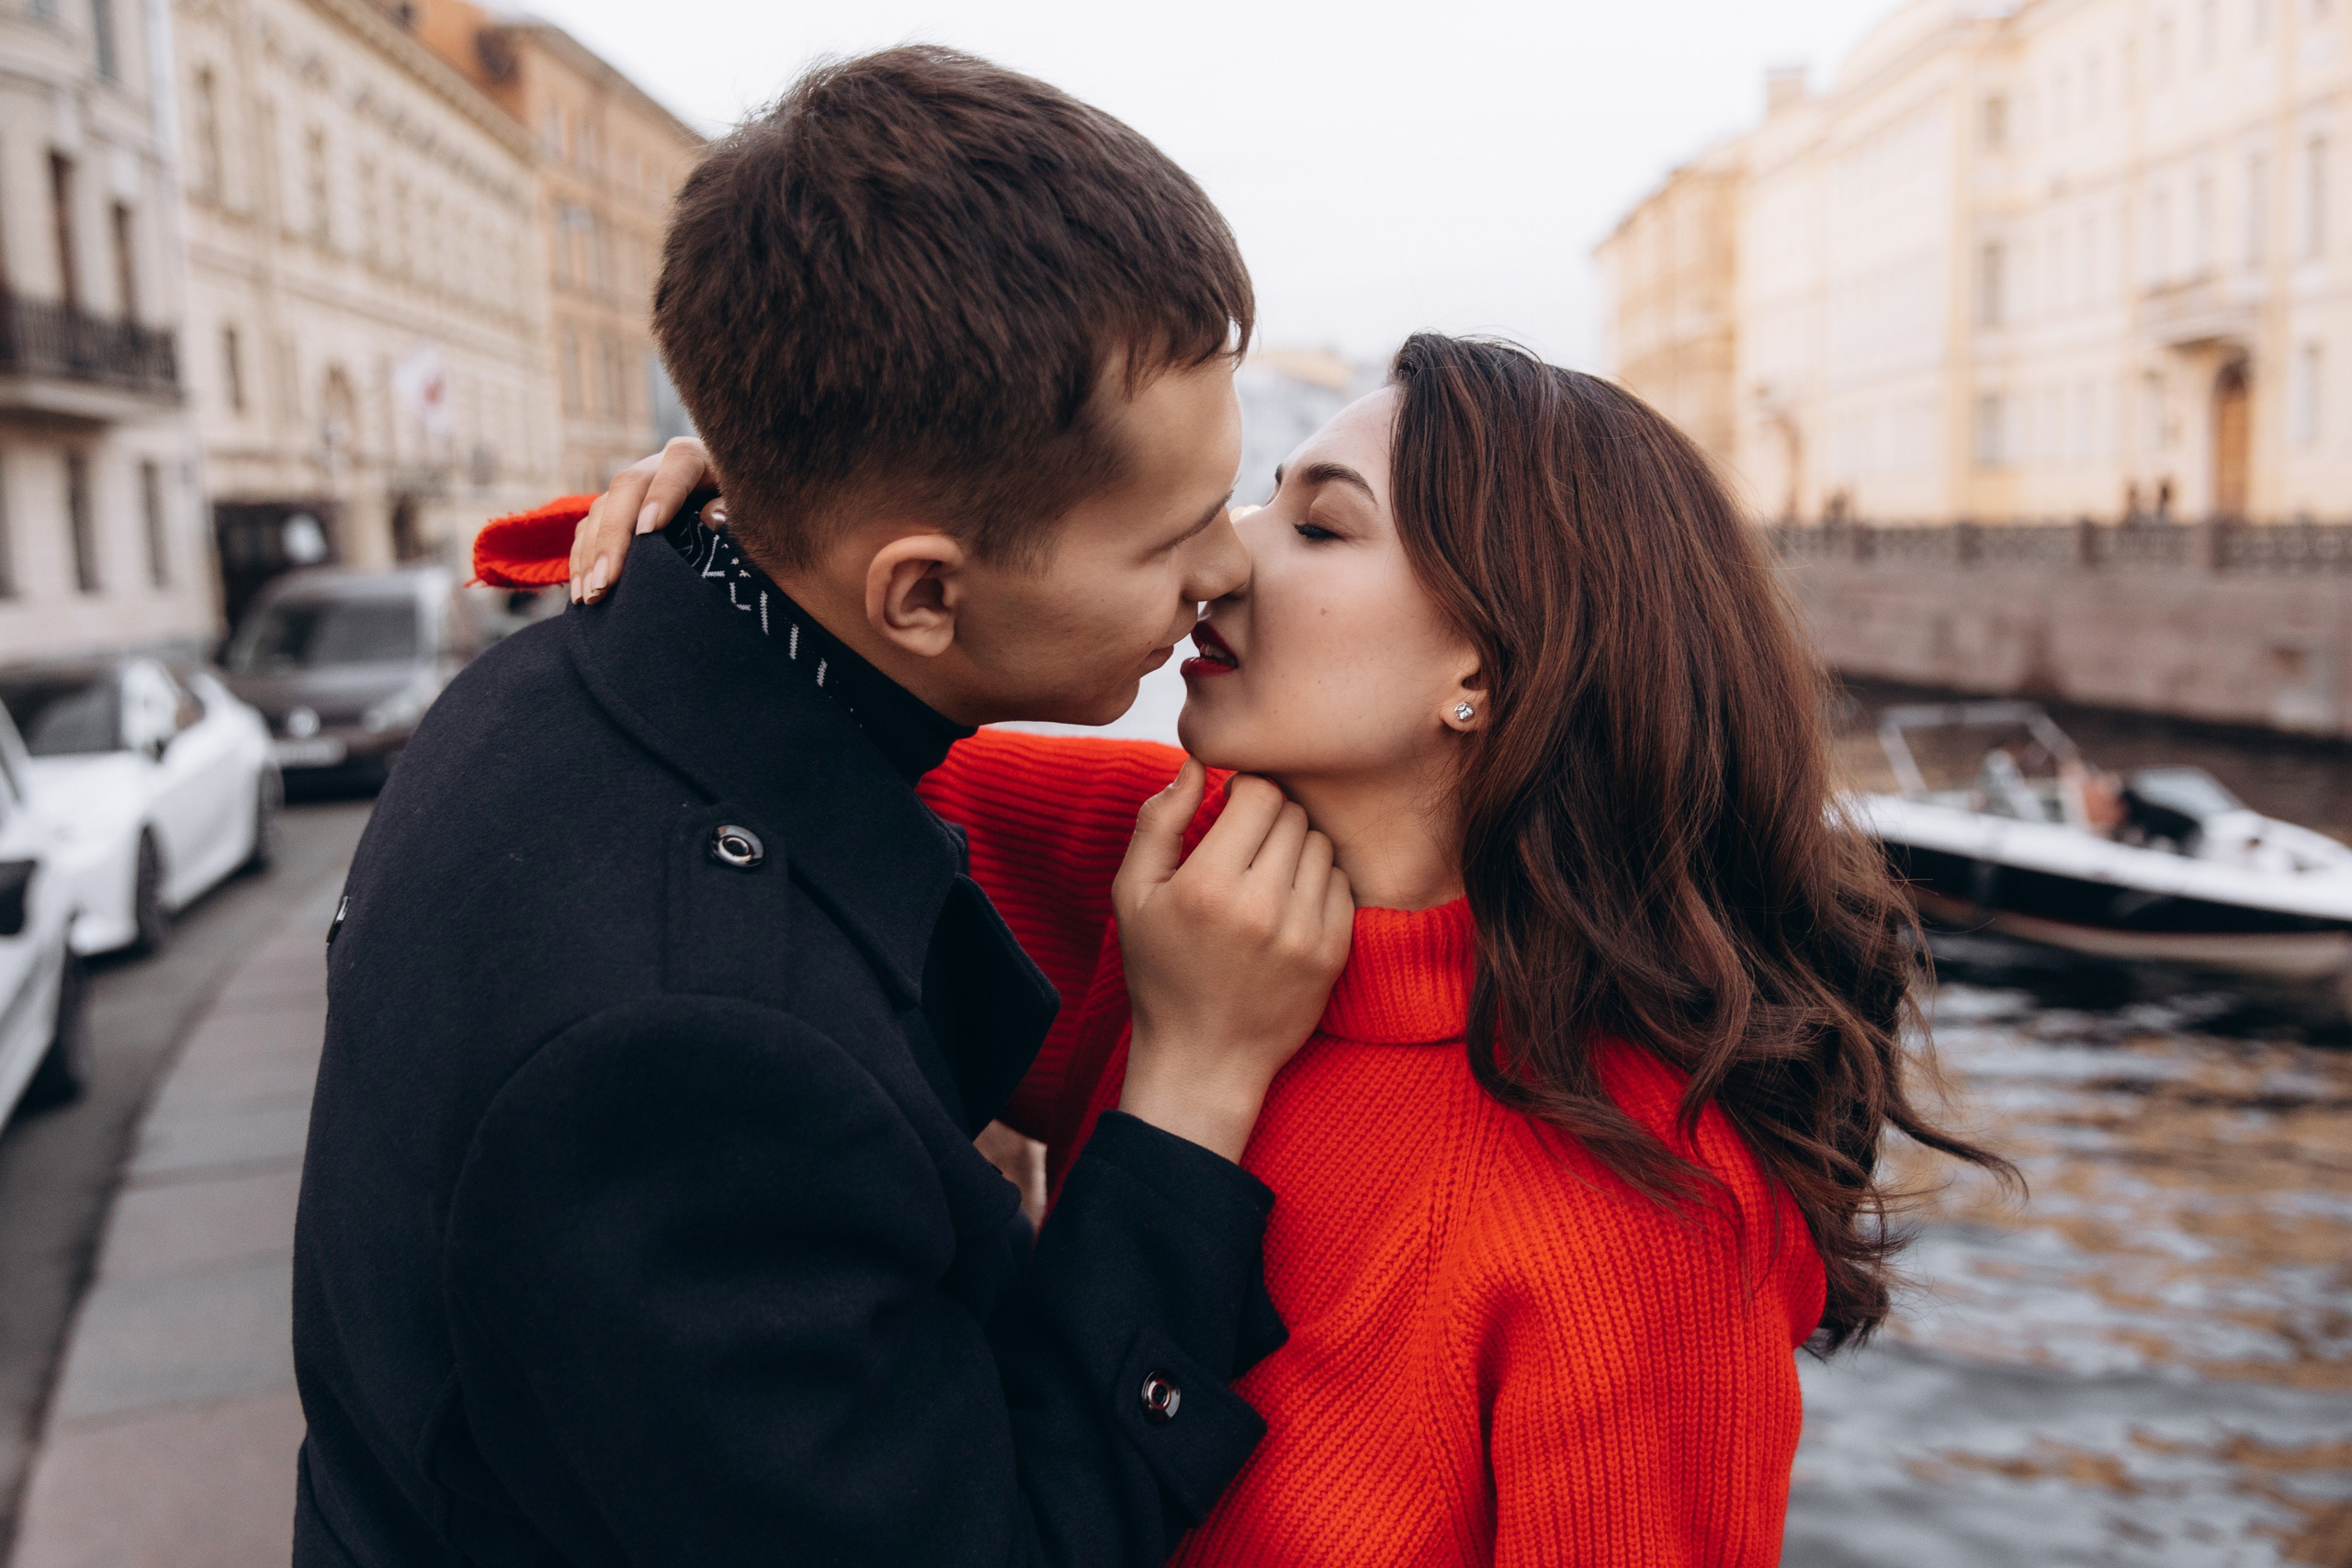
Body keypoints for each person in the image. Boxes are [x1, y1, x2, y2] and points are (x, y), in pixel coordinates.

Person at [560, 333, 2016, 1564]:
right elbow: (778, 715)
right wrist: (764, 535)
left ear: (1491, 667)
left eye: (1318, 525)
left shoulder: (1646, 1215)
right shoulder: (1176, 866)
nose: (1220, 557)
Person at [290, 49, 1358, 1568]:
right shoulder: (694, 1045)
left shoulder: (563, 682)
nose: (1232, 570)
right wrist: (1190, 1085)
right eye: (1177, 535)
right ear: (920, 592)